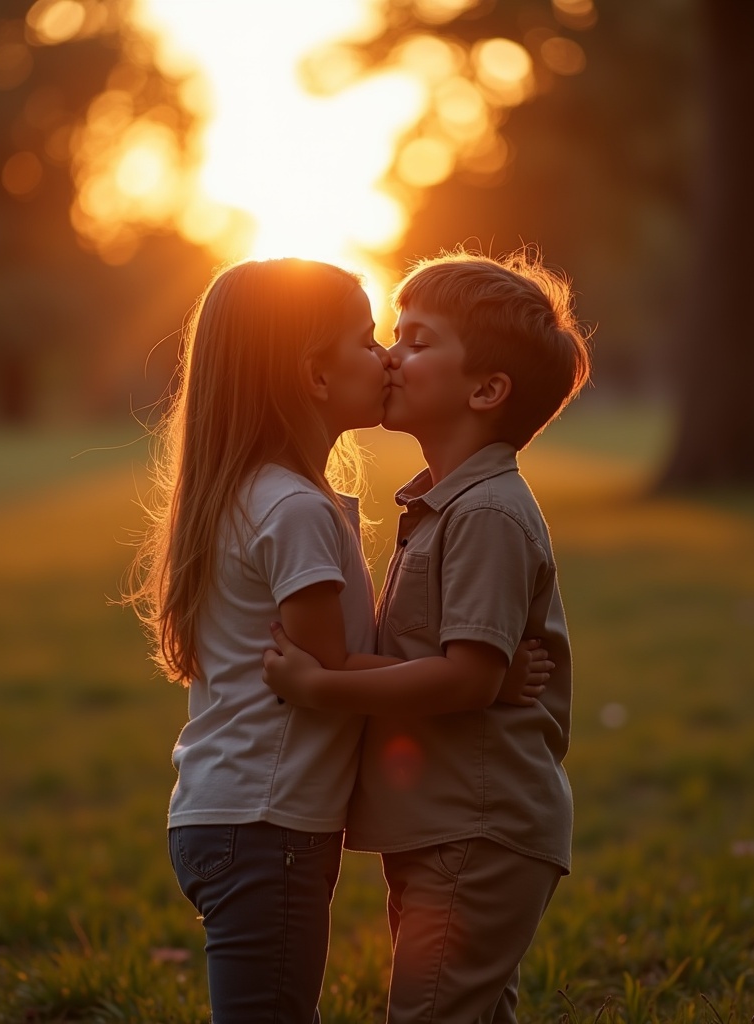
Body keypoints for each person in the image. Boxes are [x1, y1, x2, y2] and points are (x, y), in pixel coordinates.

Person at [124, 255, 549, 1024]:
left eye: (405, 341)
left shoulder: (271, 497)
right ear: (315, 378)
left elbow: (346, 667)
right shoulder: (293, 510)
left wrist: (468, 672)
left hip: (237, 810)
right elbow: (328, 670)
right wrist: (475, 675)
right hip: (265, 819)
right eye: (368, 340)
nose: (386, 356)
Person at [263, 248, 591, 1023]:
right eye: (391, 336)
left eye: (416, 340)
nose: (390, 357)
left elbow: (466, 678)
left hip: (478, 826)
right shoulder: (444, 506)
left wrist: (322, 686)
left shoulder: (485, 514)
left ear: (485, 389)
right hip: (446, 825)